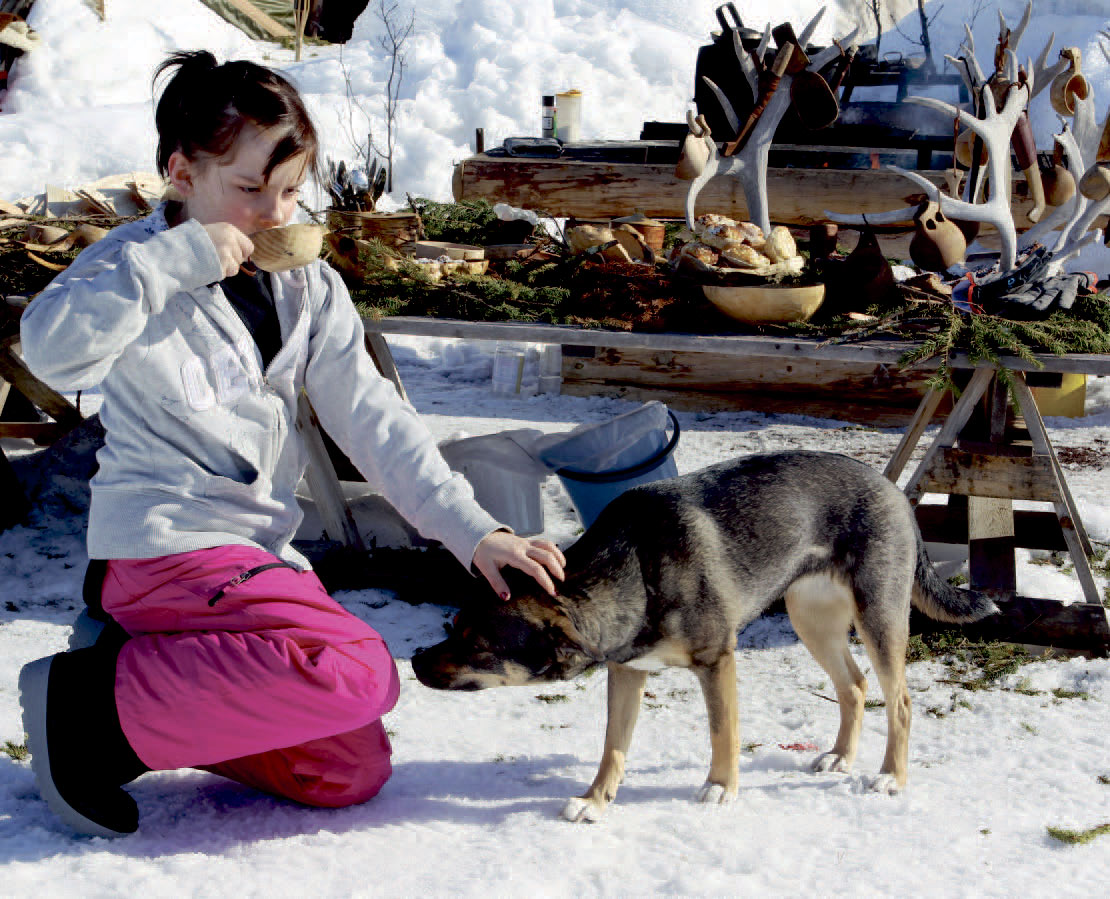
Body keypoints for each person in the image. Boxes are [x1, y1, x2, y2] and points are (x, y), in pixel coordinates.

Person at [17, 50, 565, 838]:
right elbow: (51, 350)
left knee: (345, 768)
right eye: (248, 190)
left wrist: (474, 532)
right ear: (180, 170)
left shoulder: (305, 284)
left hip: (254, 557)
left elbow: (372, 417)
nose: (274, 215)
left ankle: (133, 669)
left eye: (289, 191)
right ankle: (86, 711)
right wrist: (174, 263)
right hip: (162, 546)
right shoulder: (129, 269)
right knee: (363, 668)